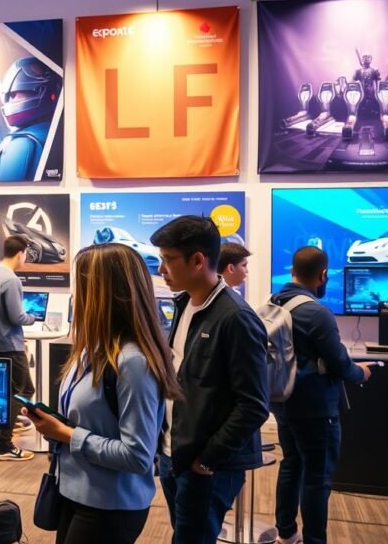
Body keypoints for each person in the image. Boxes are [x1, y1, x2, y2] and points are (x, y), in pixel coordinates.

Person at [27, 243, 182, 544]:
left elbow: (137, 456)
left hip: (110, 507)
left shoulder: (132, 362)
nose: (75, 296)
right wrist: (53, 425)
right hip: (73, 492)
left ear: (102, 293)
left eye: (81, 285)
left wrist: (66, 434)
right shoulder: (91, 350)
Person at [149, 216, 269, 544]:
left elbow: (254, 405)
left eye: (168, 259)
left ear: (198, 260)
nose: (161, 269)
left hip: (206, 465)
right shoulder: (184, 303)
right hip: (175, 454)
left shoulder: (236, 318)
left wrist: (208, 459)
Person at [271, 247, 372, 544]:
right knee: (317, 479)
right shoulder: (317, 312)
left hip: (282, 402)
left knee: (291, 465)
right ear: (323, 275)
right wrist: (361, 373)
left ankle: (286, 532)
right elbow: (339, 363)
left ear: (292, 271)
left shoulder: (274, 302)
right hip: (316, 409)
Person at [0, 235, 37, 462]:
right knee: (25, 390)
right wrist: (33, 317)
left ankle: (4, 427)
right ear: (20, 253)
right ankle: (4, 444)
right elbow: (17, 317)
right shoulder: (11, 280)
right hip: (9, 345)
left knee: (6, 392)